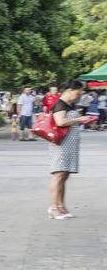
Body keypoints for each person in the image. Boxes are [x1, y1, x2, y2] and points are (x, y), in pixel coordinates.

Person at [47, 80, 95, 220]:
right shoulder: (60, 104)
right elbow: (60, 122)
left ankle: (61, 206)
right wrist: (79, 119)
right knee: (58, 175)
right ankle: (53, 207)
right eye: (77, 93)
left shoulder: (69, 105)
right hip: (61, 144)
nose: (78, 96)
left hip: (68, 144)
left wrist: (83, 119)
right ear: (69, 90)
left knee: (64, 175)